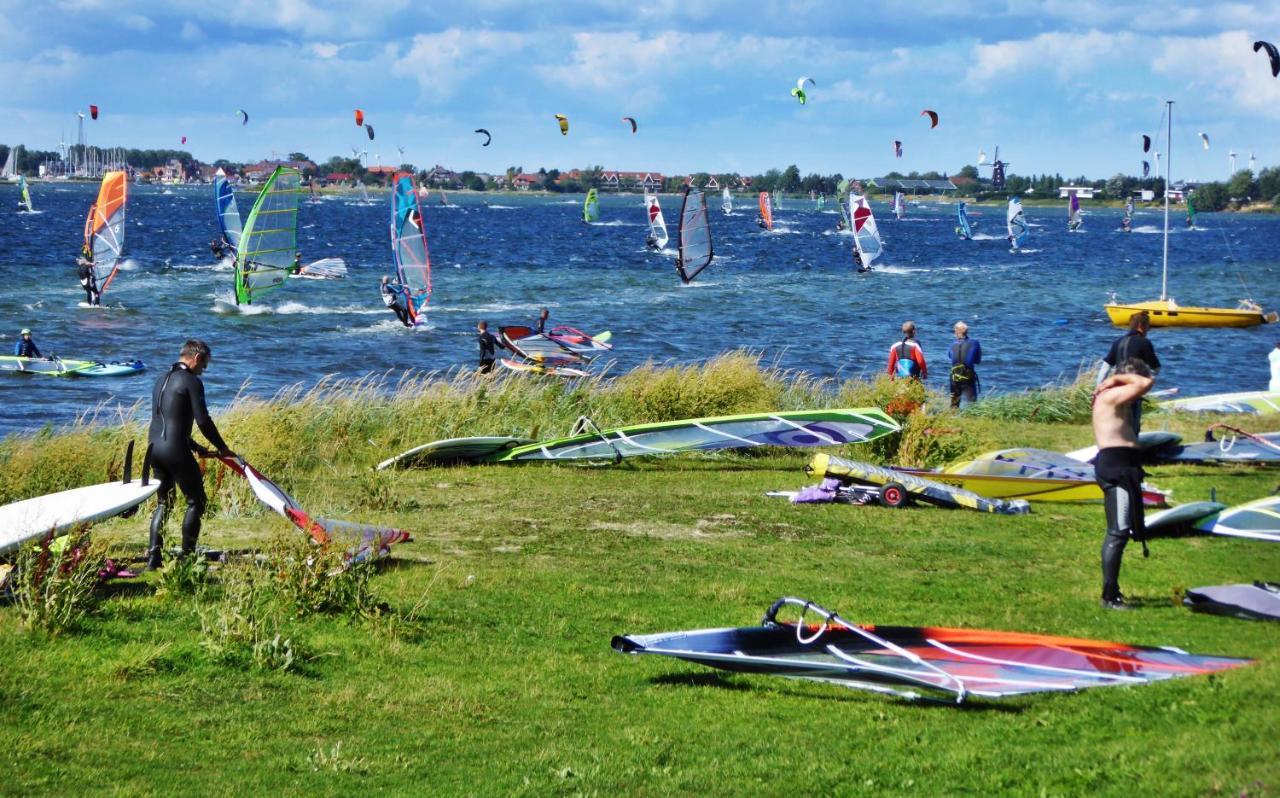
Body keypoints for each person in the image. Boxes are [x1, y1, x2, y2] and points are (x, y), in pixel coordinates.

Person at [146, 340, 234, 569]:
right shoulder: (192, 382)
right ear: (196, 358)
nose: (203, 370)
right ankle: (187, 558)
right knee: (197, 501)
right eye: (204, 365)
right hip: (175, 450)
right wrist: (222, 447)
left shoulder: (160, 380)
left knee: (164, 503)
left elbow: (167, 421)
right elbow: (203, 421)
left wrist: (196, 447)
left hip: (153, 449)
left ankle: (153, 559)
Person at [1091, 358, 1155, 610]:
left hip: (1124, 466)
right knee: (1118, 532)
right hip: (1115, 469)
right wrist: (1119, 378)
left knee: (1121, 530)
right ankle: (1109, 597)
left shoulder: (1117, 397)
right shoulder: (1112, 394)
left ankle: (1112, 592)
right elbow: (1147, 382)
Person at [1097, 312, 1160, 433]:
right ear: (1141, 325)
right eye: (1148, 327)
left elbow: (1105, 367)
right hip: (1132, 390)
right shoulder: (1145, 343)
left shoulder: (1117, 342)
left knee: (1118, 422)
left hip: (1117, 389)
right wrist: (1147, 383)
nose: (1148, 330)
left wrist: (1099, 388)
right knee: (1133, 427)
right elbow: (1156, 368)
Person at [947, 322, 982, 408]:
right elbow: (977, 361)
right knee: (972, 404)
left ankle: (952, 418)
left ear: (956, 332)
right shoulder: (974, 343)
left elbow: (950, 356)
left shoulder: (952, 345)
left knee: (954, 405)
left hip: (954, 379)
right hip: (968, 378)